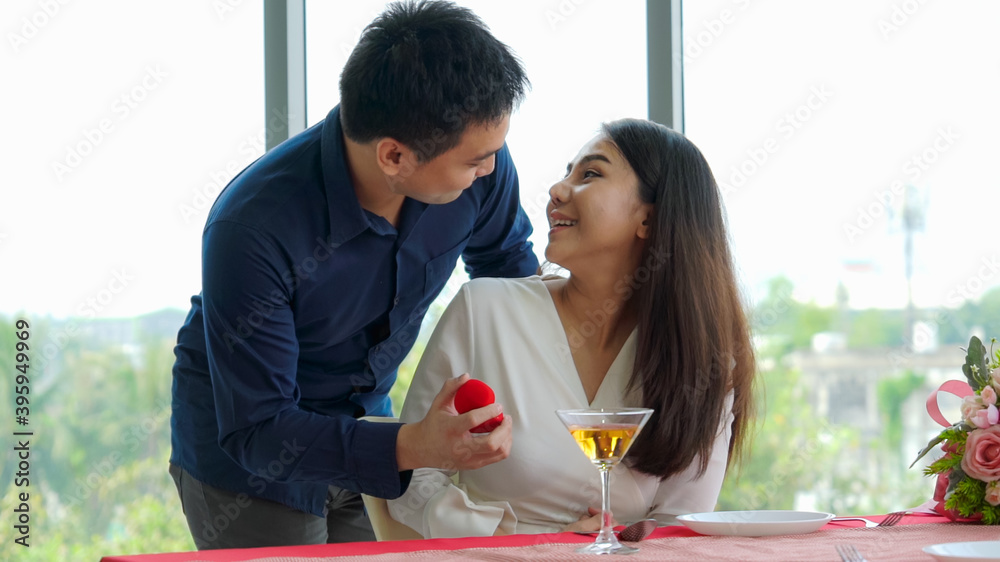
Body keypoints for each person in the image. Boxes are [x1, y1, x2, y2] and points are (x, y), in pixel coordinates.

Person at [169, 0, 536, 549]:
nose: (489, 169)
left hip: (373, 429)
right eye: (474, 161)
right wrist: (416, 447)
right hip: (253, 464)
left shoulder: (481, 167)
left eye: (493, 153)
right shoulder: (253, 227)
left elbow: (509, 273)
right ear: (394, 156)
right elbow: (259, 429)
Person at [387, 118, 757, 537]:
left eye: (591, 174)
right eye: (567, 173)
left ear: (649, 222)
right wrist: (524, 542)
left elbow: (683, 526)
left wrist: (631, 539)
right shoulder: (485, 310)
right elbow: (411, 477)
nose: (557, 190)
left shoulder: (700, 360)